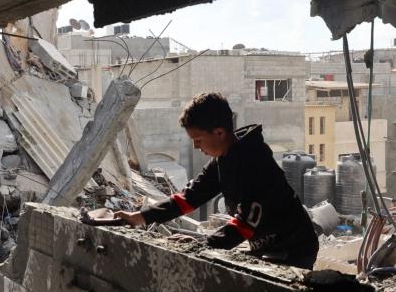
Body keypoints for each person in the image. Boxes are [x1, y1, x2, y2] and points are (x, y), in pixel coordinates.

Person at [114, 92, 319, 269]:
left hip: (293, 248)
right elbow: (190, 198)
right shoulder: (223, 159)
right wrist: (140, 217)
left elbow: (245, 223)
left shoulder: (255, 161)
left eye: (198, 140)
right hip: (265, 243)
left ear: (219, 132)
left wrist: (200, 245)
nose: (196, 147)